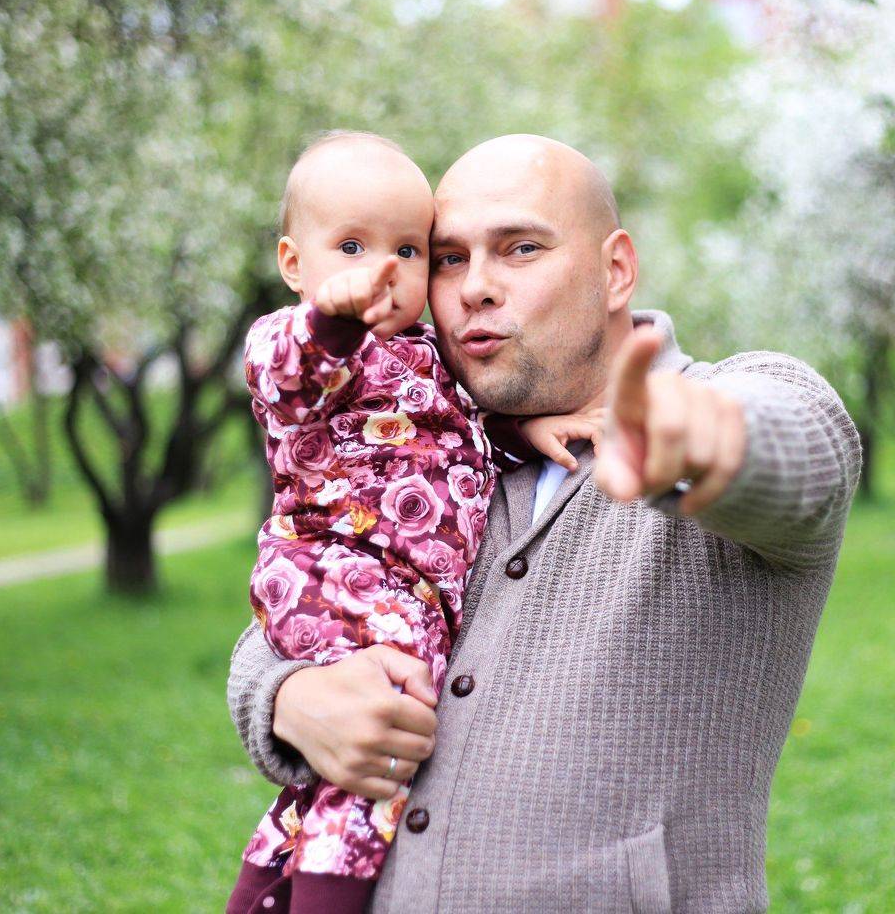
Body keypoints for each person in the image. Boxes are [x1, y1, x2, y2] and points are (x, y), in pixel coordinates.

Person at [227, 134, 863, 913]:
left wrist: (698, 437)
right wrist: (286, 699)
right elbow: (305, 605)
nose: (475, 288)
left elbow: (801, 451)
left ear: (615, 268)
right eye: (449, 258)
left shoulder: (731, 398)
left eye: (521, 248)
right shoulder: (431, 438)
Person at [236, 131, 600, 913]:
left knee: (339, 771)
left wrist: (524, 431)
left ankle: (264, 887)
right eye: (352, 247)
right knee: (384, 743)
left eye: (409, 250)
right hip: (336, 572)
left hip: (401, 593)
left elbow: (459, 434)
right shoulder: (308, 348)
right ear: (294, 262)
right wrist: (331, 319)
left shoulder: (430, 355)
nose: (384, 270)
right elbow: (286, 375)